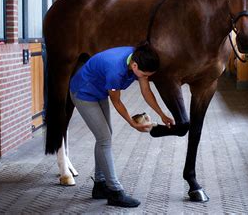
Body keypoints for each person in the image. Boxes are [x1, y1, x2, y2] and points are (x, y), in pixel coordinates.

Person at [69, 43, 174, 208]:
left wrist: (162, 114)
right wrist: (132, 123)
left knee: (105, 136)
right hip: (83, 92)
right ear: (134, 66)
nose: (145, 78)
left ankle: (99, 185)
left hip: (98, 90)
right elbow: (116, 102)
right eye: (145, 75)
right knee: (104, 138)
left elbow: (146, 92)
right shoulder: (115, 71)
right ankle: (115, 192)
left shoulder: (138, 57)